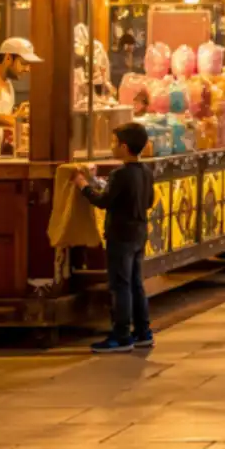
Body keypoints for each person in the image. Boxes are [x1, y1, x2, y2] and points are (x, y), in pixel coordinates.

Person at [73, 123, 157, 353]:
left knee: (120, 285)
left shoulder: (120, 174)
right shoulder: (146, 172)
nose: (112, 146)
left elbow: (103, 201)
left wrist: (82, 186)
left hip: (120, 234)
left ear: (124, 146)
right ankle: (143, 331)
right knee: (136, 283)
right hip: (139, 232)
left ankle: (121, 336)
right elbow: (148, 201)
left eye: (114, 142)